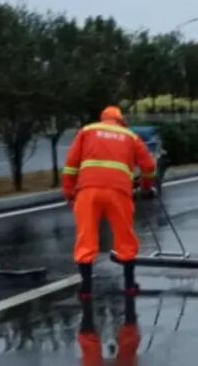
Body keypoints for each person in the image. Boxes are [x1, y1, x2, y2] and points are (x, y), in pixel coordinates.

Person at [63, 106, 157, 299]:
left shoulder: (87, 131)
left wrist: (70, 194)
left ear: (102, 118)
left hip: (88, 191)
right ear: (121, 120)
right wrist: (146, 187)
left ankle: (86, 288)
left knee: (86, 238)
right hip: (118, 192)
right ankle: (129, 285)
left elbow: (71, 166)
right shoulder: (130, 136)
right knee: (125, 237)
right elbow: (148, 166)